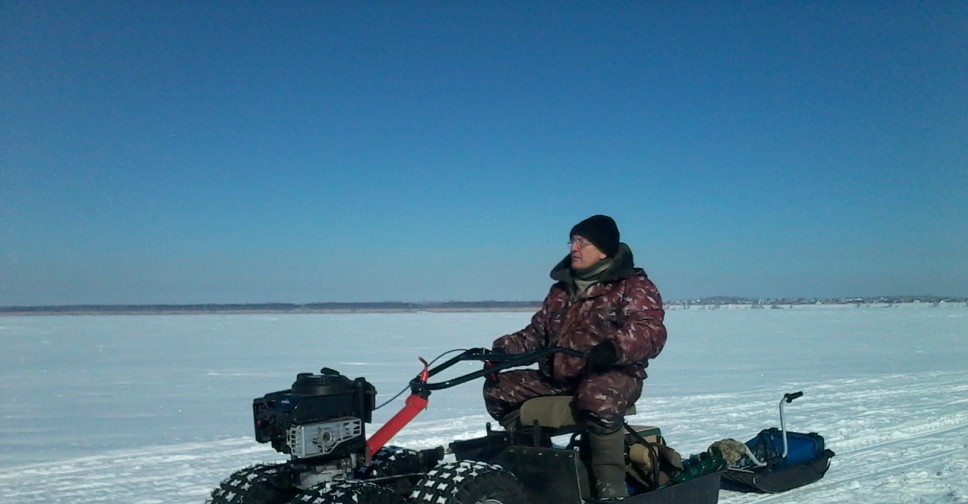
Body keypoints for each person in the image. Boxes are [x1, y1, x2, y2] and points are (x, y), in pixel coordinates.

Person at [482, 214, 667, 500]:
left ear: (603, 250)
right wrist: (502, 351)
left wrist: (614, 350)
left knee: (598, 393)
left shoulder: (633, 287)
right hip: (559, 377)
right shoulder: (561, 290)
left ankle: (610, 488)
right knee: (498, 389)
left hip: (613, 375)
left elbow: (650, 331)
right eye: (573, 241)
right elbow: (537, 334)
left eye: (583, 242)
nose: (574, 248)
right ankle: (540, 470)